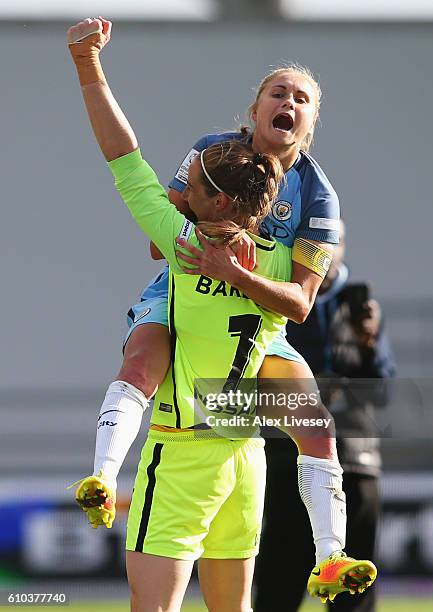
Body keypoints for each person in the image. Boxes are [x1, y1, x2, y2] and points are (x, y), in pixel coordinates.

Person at [67, 16, 376, 607]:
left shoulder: (316, 200)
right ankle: (103, 476)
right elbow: (162, 236)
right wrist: (206, 239)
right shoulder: (208, 165)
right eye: (277, 92)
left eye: (301, 97)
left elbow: (302, 304)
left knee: (313, 421)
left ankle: (332, 556)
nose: (288, 101)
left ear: (310, 124)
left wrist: (232, 269)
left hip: (243, 397)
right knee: (143, 363)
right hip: (205, 396)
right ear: (254, 111)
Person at [254, 221, 396, 612]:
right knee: (279, 577)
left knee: (354, 586)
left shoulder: (362, 309)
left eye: (332, 243)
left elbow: (383, 389)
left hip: (357, 460)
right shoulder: (282, 296)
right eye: (316, 244)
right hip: (291, 460)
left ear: (343, 247)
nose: (326, 252)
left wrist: (369, 343)